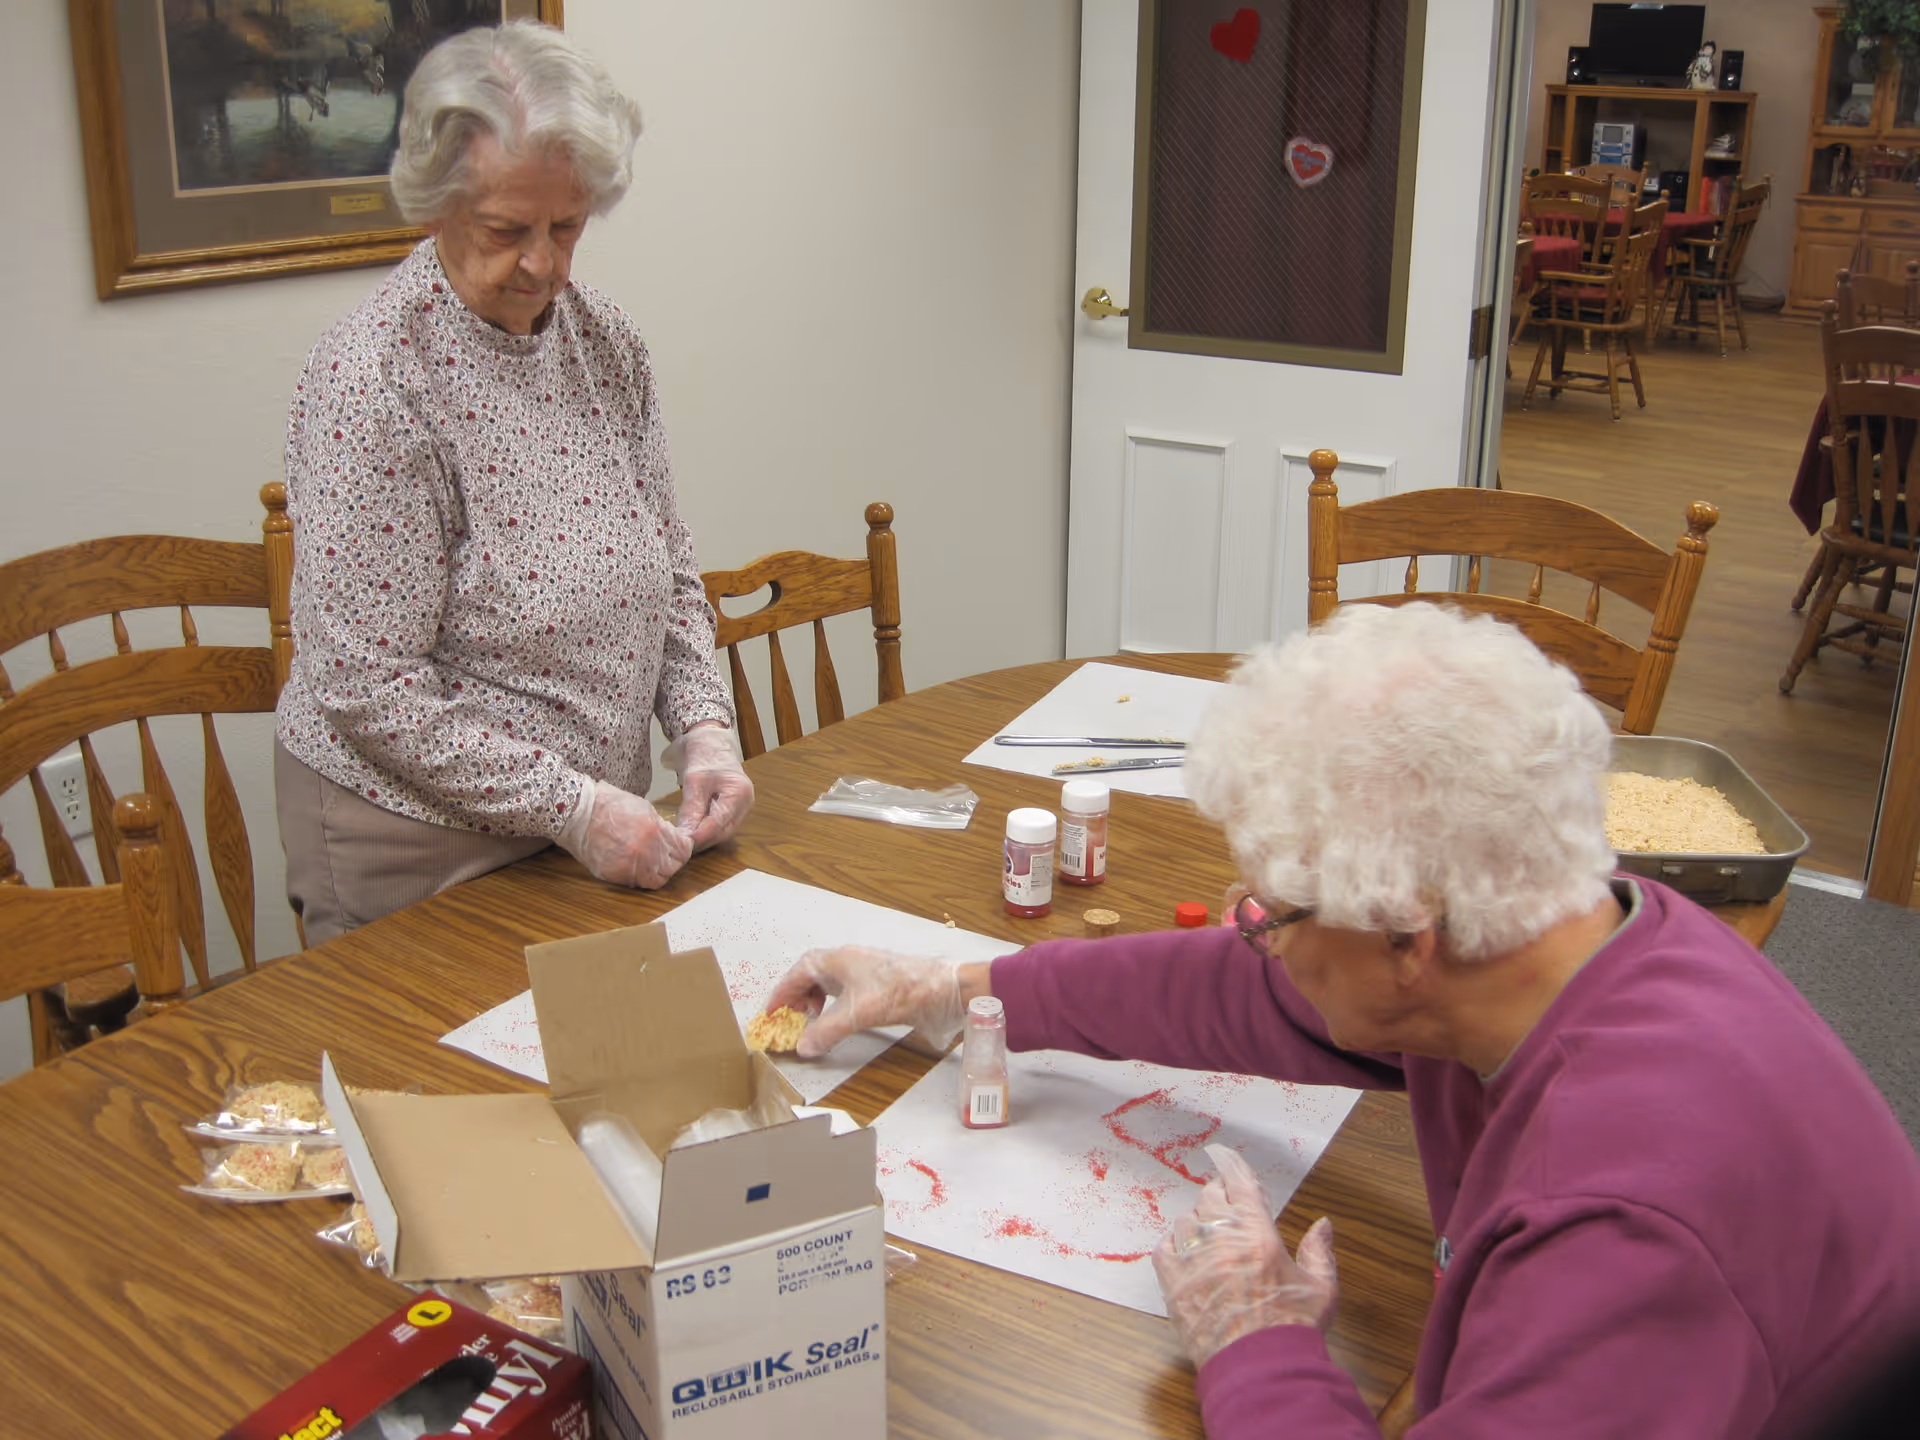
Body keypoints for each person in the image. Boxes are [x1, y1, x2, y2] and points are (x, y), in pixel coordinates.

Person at [766, 604, 1920, 1438]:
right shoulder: (1564, 931)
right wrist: (945, 985)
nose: (1246, 925)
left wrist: (1256, 1345)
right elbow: (1233, 989)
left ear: (1410, 938)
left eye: (1270, 909)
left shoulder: (1624, 1237)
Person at [275, 21, 751, 945]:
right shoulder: (374, 380)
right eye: (506, 230)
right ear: (435, 204)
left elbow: (669, 565)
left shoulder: (603, 343)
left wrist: (702, 728)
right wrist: (570, 806)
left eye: (566, 226)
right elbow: (366, 685)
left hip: (590, 821)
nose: (543, 263)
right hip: (415, 837)